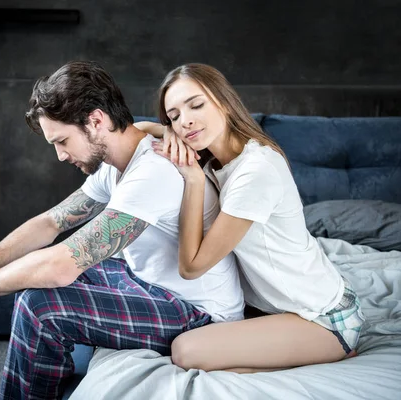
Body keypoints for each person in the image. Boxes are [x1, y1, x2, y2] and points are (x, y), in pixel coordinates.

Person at [0, 61, 244, 399]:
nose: (59, 155)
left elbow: (60, 266)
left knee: (39, 305)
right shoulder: (117, 164)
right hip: (148, 282)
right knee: (59, 270)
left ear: (96, 121)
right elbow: (51, 223)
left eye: (62, 141)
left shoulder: (155, 169)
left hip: (197, 312)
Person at [141, 63, 365, 373]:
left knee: (185, 351)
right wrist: (166, 129)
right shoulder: (216, 158)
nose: (186, 121)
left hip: (321, 318)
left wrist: (192, 180)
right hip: (274, 311)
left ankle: (328, 353)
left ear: (223, 101)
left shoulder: (255, 170)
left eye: (196, 105)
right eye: (175, 115)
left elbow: (191, 266)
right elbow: (139, 129)